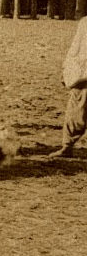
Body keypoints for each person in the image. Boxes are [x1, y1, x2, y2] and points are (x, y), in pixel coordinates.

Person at [54, 15, 87, 157]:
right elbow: (75, 48)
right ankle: (67, 146)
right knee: (75, 112)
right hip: (82, 76)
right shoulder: (84, 23)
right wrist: (66, 68)